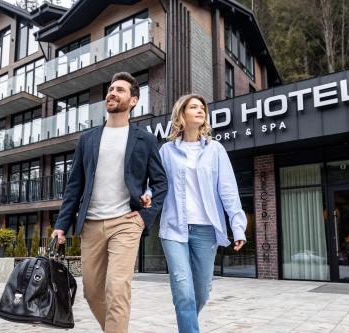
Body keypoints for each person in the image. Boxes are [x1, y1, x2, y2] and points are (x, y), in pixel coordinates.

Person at [51, 72, 167, 333]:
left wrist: (143, 217)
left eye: (120, 90)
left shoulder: (145, 140)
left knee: (117, 289)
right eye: (111, 89)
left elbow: (161, 183)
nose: (112, 93)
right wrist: (61, 225)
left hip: (125, 223)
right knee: (92, 293)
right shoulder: (88, 139)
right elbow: (74, 186)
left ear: (134, 100)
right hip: (90, 225)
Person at [142, 94, 247, 333]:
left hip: (206, 230)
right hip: (173, 229)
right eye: (194, 107)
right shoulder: (167, 151)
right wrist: (148, 194)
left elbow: (228, 191)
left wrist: (237, 225)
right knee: (183, 293)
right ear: (182, 114)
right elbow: (157, 182)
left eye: (202, 108)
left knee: (201, 292)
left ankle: (186, 325)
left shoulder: (215, 150)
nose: (200, 110)